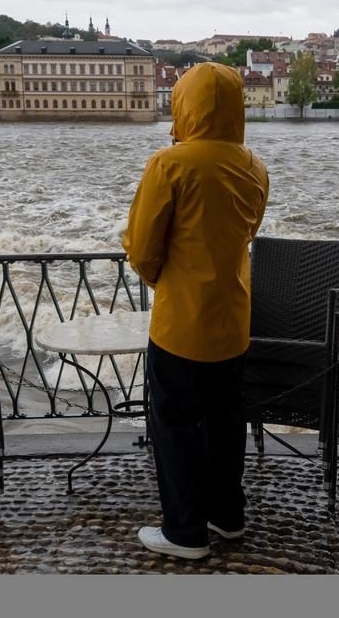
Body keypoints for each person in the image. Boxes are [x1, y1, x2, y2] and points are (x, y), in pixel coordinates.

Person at [122, 62, 270, 560]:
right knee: (227, 425)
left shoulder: (170, 164)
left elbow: (142, 248)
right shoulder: (255, 167)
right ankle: (227, 517)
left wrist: (167, 279)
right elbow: (244, 235)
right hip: (234, 320)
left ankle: (185, 533)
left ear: (184, 104)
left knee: (176, 427)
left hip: (181, 325)